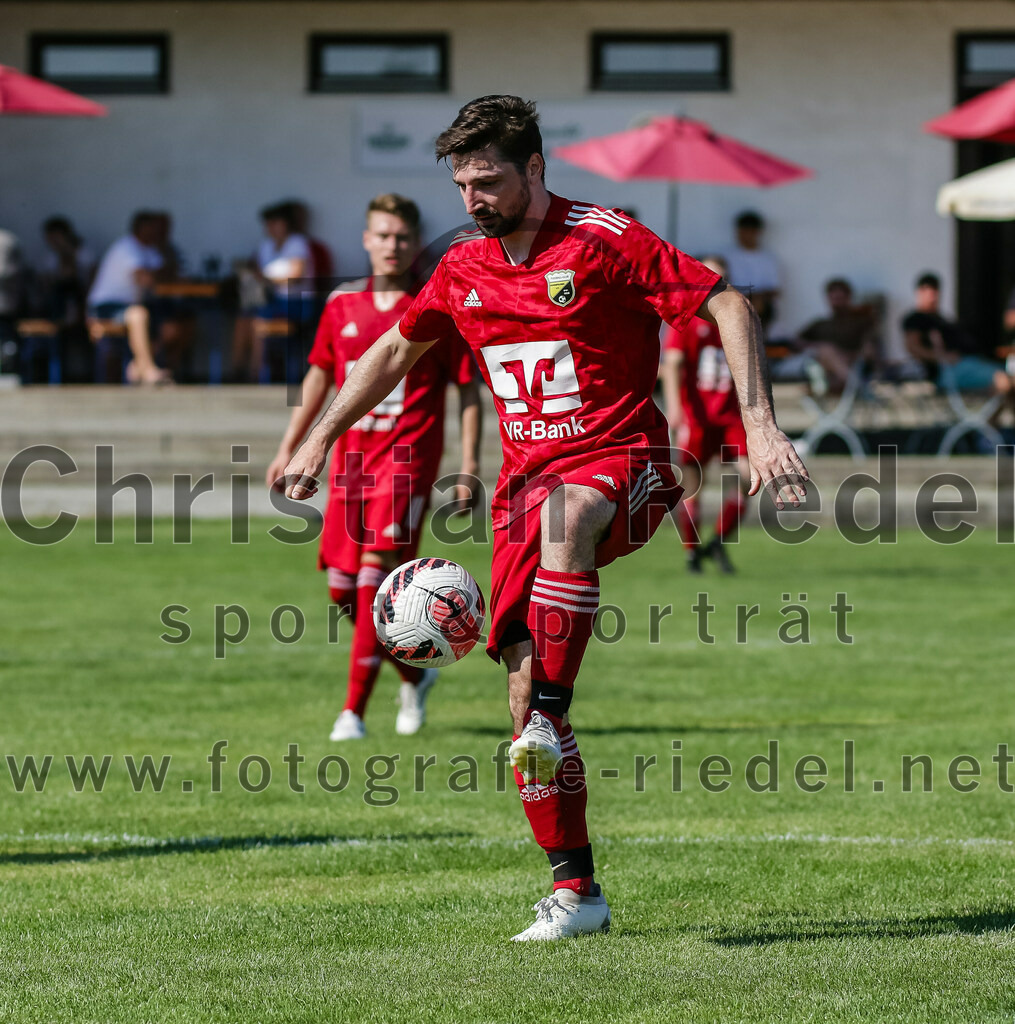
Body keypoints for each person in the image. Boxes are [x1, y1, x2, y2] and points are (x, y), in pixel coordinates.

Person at [279, 95, 807, 941]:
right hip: (521, 491)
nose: (472, 200)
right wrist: (318, 437)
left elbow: (725, 304)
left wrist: (760, 422)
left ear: (534, 169)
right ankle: (577, 893)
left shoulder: (603, 237)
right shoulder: (460, 266)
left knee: (563, 558)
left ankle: (551, 718)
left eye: (487, 182)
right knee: (517, 693)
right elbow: (391, 351)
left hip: (628, 465)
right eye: (460, 185)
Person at [267, 194, 481, 740]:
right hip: (351, 467)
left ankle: (352, 713)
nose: (393, 245)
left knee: (371, 580)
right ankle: (414, 672)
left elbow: (467, 388)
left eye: (403, 237)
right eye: (382, 235)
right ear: (365, 240)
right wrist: (291, 445)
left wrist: (470, 461)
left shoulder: (437, 304)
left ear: (414, 243)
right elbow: (319, 375)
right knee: (343, 592)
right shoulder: (341, 304)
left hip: (408, 463)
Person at [660, 255, 752, 575]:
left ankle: (719, 541)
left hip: (730, 415)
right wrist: (674, 407)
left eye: (721, 278)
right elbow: (672, 364)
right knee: (693, 486)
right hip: (696, 415)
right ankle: (691, 552)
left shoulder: (736, 316)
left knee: (748, 477)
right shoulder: (686, 318)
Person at [86, 211, 172, 384]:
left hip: (132, 305)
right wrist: (157, 274)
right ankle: (148, 371)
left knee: (169, 323)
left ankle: (135, 365)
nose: (156, 233)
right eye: (152, 229)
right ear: (140, 229)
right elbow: (144, 278)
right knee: (138, 314)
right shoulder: (126, 247)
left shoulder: (150, 249)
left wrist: (164, 248)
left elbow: (167, 272)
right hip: (104, 306)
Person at [231, 202, 313, 382]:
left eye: (276, 222)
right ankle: (237, 372)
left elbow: (296, 276)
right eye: (268, 223)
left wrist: (266, 279)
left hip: (297, 303)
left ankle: (256, 375)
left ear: (286, 224)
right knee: (243, 319)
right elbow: (256, 274)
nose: (271, 227)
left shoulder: (297, 243)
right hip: (273, 301)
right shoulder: (266, 246)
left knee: (258, 322)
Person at [902, 273, 1003, 393]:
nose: (932, 295)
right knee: (1002, 380)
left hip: (969, 362)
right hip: (951, 370)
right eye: (926, 290)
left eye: (934, 290)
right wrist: (941, 357)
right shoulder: (916, 319)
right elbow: (913, 347)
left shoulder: (941, 319)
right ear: (919, 292)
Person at [795, 278, 878, 395]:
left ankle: (849, 382)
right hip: (827, 366)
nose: (837, 303)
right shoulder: (820, 324)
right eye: (834, 299)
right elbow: (797, 341)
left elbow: (869, 345)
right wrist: (818, 346)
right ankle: (852, 383)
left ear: (848, 298)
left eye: (840, 299)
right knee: (826, 350)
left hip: (853, 361)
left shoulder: (860, 321)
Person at [722, 210, 781, 333]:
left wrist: (755, 297)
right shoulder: (727, 256)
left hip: (762, 309)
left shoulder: (768, 259)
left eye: (746, 231)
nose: (741, 235)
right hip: (734, 304)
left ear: (756, 232)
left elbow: (775, 290)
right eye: (740, 231)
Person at [38, 216, 95, 326]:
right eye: (50, 238)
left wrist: (67, 252)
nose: (53, 241)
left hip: (82, 299)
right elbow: (48, 284)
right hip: (58, 304)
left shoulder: (85, 253)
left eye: (56, 237)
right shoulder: (49, 258)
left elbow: (85, 280)